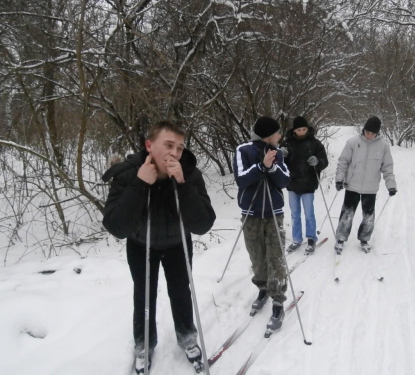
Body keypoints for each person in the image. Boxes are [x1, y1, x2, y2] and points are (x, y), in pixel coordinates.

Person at [101, 120, 216, 374]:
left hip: (178, 244)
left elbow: (203, 224)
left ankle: (187, 336)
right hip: (142, 245)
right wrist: (140, 184)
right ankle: (144, 344)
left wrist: (183, 185)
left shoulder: (189, 173)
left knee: (181, 292)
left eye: (180, 147)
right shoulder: (128, 173)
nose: (175, 153)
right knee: (144, 295)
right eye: (169, 145)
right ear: (149, 145)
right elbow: (116, 226)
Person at [233, 116, 290, 332]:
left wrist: (273, 167)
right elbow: (241, 179)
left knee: (275, 257)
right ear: (268, 134)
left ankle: (278, 300)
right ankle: (263, 288)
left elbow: (285, 181)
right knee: (256, 256)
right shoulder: (243, 150)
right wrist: (261, 166)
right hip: (251, 213)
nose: (280, 136)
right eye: (277, 133)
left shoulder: (278, 151)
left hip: (274, 213)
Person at [334, 116, 397, 254]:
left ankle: (364, 239)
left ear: (377, 133)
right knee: (347, 213)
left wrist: (391, 185)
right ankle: (341, 238)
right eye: (367, 132)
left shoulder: (383, 146)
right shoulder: (353, 142)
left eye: (372, 133)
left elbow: (387, 167)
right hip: (352, 184)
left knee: (368, 215)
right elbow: (343, 161)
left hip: (370, 187)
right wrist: (339, 179)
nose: (369, 135)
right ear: (364, 130)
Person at [280, 116, 329, 254]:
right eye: (298, 130)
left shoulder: (315, 144)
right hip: (292, 184)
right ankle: (296, 239)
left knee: (309, 214)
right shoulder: (287, 143)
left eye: (303, 129)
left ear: (307, 129)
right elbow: (278, 162)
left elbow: (324, 161)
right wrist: (281, 155)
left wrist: (317, 161)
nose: (301, 132)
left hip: (308, 184)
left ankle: (311, 238)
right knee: (295, 214)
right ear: (294, 130)